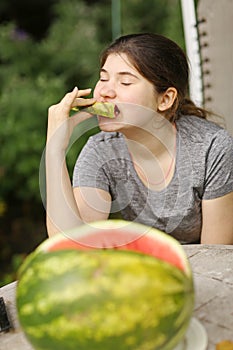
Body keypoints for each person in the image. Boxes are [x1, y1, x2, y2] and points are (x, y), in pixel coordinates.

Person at [45, 33, 233, 244]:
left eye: (125, 82)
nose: (105, 91)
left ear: (165, 99)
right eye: (103, 78)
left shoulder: (211, 148)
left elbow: (215, 254)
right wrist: (55, 150)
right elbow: (70, 243)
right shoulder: (100, 151)